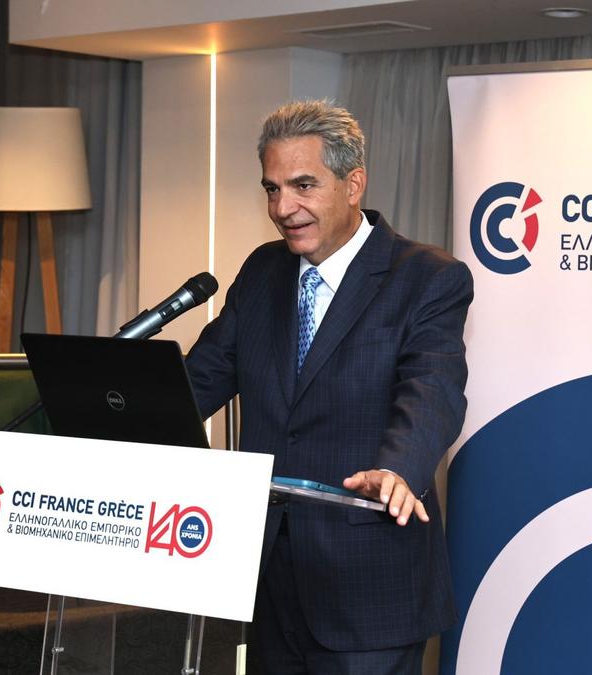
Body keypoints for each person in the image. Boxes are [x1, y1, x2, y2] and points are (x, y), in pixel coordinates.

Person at [184, 99, 473, 674]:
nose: (282, 208)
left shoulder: (427, 277)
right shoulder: (262, 271)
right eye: (272, 189)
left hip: (368, 583)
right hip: (268, 578)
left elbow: (432, 390)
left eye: (303, 186)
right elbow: (201, 380)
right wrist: (118, 412)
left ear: (353, 184)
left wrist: (400, 469)